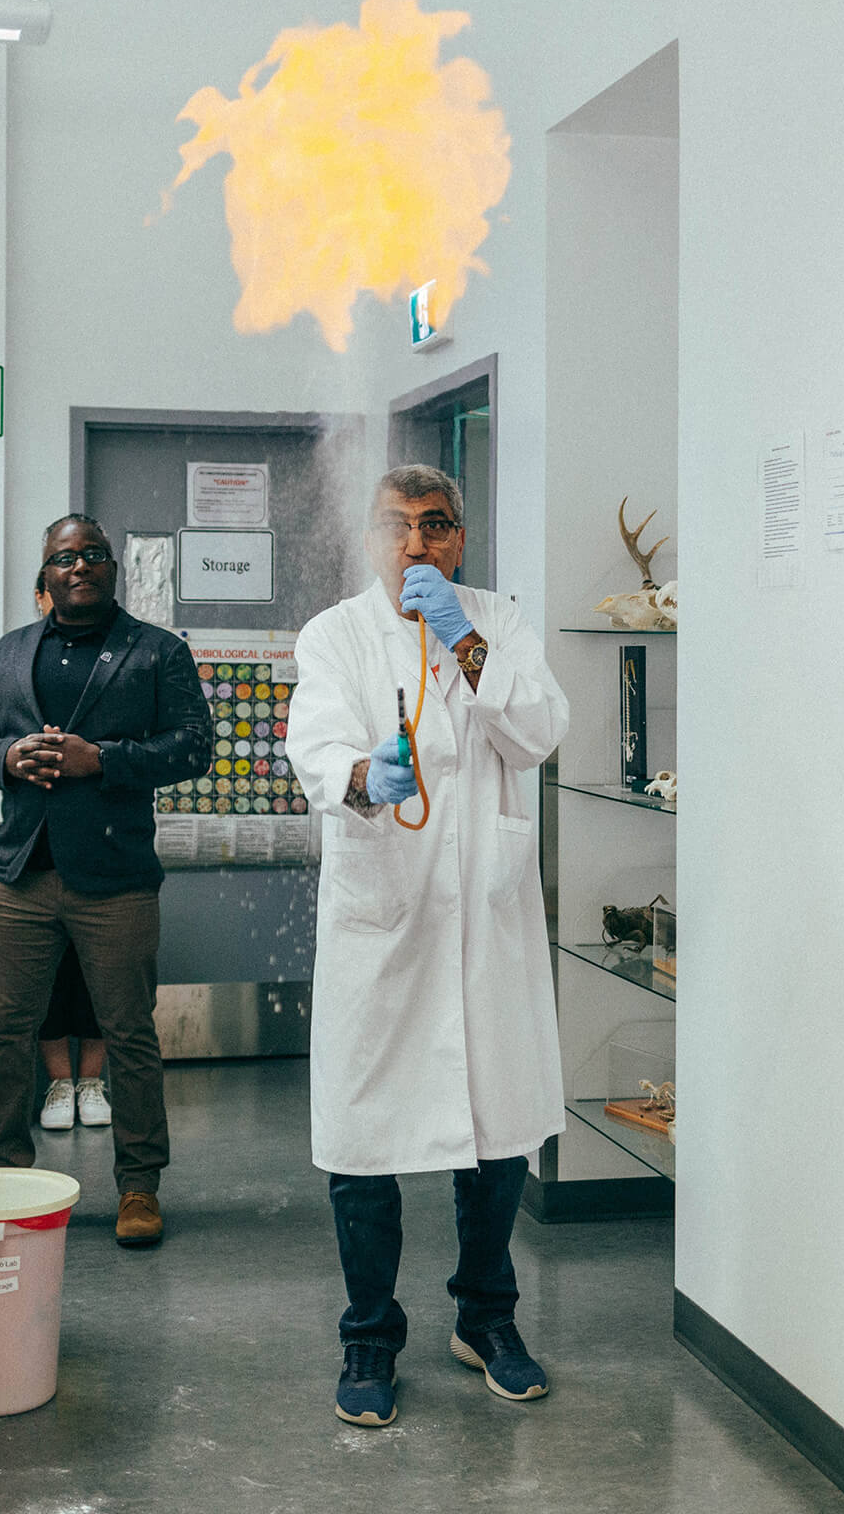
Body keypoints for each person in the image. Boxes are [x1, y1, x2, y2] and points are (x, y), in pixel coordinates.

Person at [285, 463, 569, 1428]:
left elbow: (539, 731)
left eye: (437, 525)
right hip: (385, 920)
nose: (417, 543)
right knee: (365, 1138)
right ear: (370, 540)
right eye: (397, 526)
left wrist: (467, 640)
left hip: (482, 922)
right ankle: (369, 1335)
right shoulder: (335, 635)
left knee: (497, 1124)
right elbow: (316, 752)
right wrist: (370, 772)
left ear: (461, 536)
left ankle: (486, 1318)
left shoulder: (501, 620)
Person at [0, 514, 212, 1246]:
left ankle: (139, 1187)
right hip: (19, 873)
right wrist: (7, 756)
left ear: (110, 570)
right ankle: (3, 1175)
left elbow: (194, 745)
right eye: (65, 557)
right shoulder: (9, 653)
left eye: (93, 554)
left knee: (129, 1035)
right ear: (47, 574)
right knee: (7, 1032)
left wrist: (106, 760)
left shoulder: (156, 653)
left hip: (115, 878)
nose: (80, 566)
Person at [33, 570, 111, 1133]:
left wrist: (97, 757)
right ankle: (60, 1083)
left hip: (105, 848)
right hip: (35, 852)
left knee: (99, 983)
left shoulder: (124, 652)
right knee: (50, 984)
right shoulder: (19, 657)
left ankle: (93, 1081)